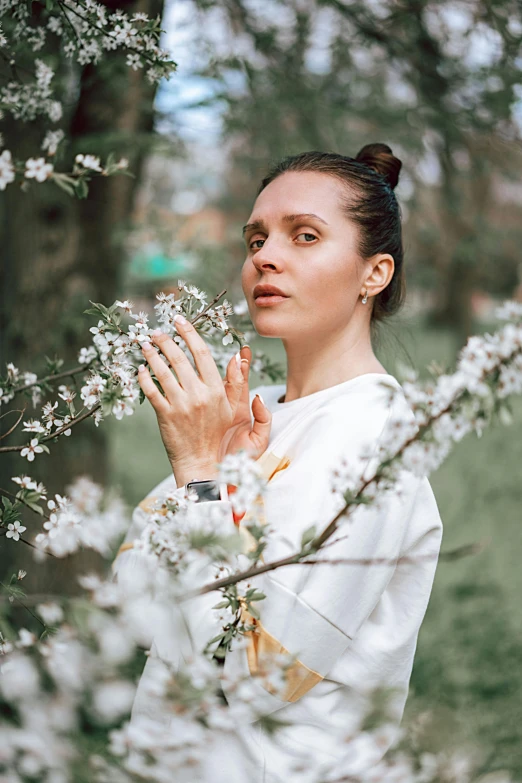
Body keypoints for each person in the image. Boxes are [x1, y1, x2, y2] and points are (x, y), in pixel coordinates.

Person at [113, 143, 443, 782]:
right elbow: (131, 596)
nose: (265, 255)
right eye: (256, 237)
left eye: (306, 236)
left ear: (374, 273)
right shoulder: (255, 415)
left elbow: (262, 678)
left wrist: (200, 472)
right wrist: (221, 476)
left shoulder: (378, 441)